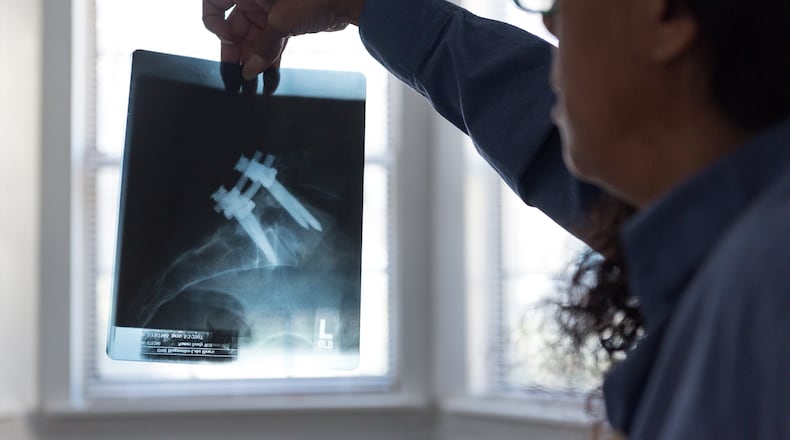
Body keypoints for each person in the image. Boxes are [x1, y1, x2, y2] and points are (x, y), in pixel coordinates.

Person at [202, 0, 790, 437]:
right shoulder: (730, 232)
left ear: (664, 17)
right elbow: (536, 126)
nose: (552, 23)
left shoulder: (766, 288)